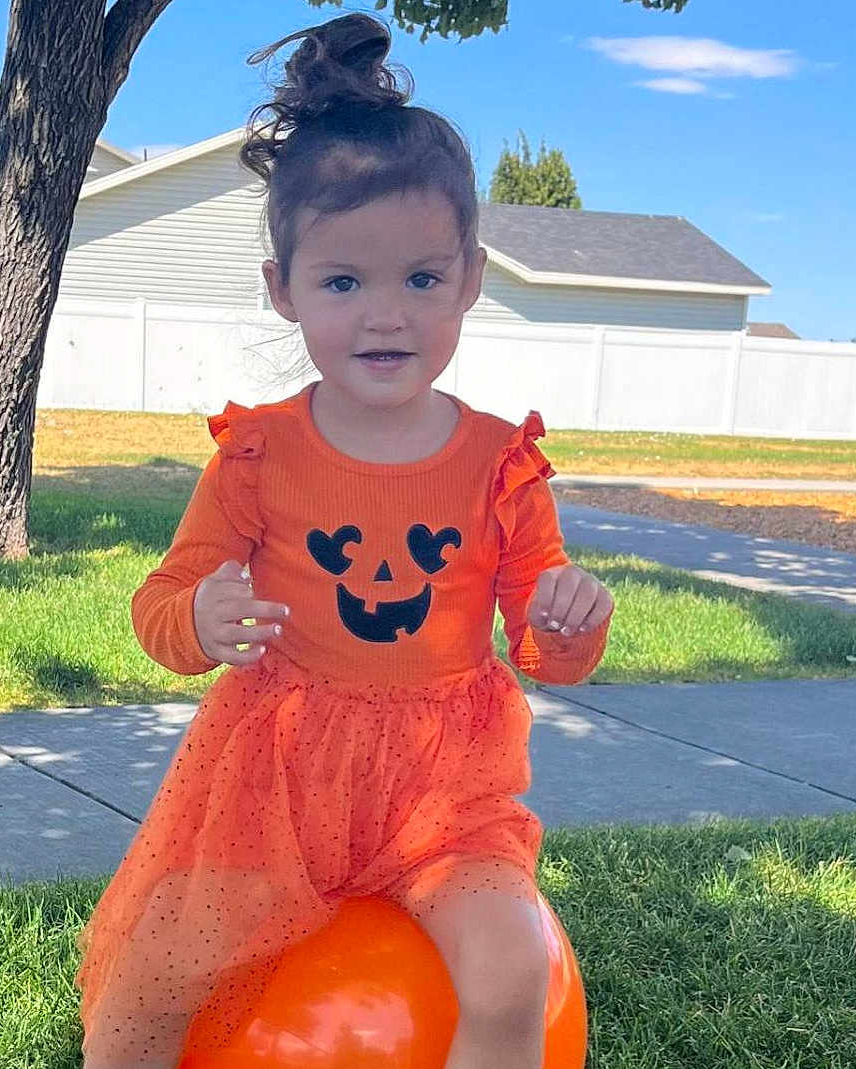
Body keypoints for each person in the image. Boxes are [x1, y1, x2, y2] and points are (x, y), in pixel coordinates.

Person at [75, 12, 614, 1069]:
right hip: (270, 786)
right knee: (152, 975)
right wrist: (200, 615)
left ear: (468, 278)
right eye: (342, 282)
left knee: (508, 974)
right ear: (283, 290)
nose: (385, 314)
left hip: (445, 794)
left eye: (420, 279)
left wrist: (567, 622)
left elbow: (542, 646)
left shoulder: (503, 465)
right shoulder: (258, 456)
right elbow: (161, 604)